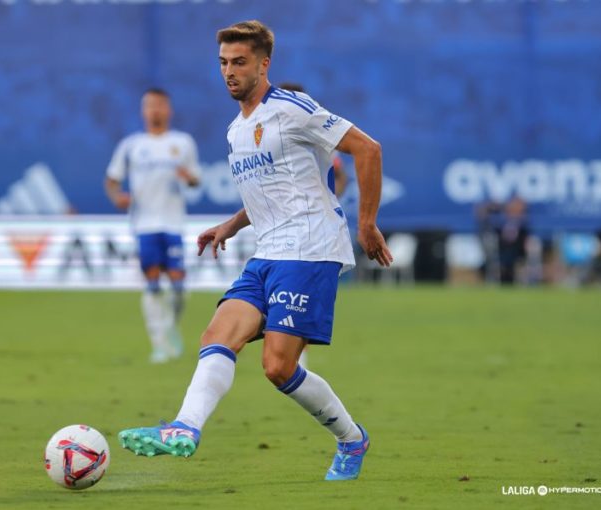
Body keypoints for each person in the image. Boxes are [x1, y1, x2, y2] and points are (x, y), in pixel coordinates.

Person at [118, 20, 392, 481]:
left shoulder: (291, 108)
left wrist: (367, 224)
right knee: (217, 335)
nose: (229, 71)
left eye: (240, 62)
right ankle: (184, 428)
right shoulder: (235, 131)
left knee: (278, 368)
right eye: (224, 63)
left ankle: (352, 438)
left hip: (309, 249)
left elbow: (368, 149)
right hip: (267, 252)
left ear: (264, 64)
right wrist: (229, 224)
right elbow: (265, 192)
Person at [105, 88, 201, 363]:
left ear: (168, 110)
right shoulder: (131, 146)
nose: (155, 110)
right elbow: (112, 180)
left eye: (160, 105)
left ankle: (170, 327)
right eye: (150, 106)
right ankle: (158, 342)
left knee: (179, 286)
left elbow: (196, 179)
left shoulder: (182, 143)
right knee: (153, 283)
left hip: (173, 223)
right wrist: (118, 198)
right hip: (144, 225)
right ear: (143, 111)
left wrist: (188, 177)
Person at [276, 82, 348, 368]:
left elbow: (342, 174)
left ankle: (296, 368)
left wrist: (327, 196)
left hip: (314, 232)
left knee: (295, 305)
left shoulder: (317, 136)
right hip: (280, 231)